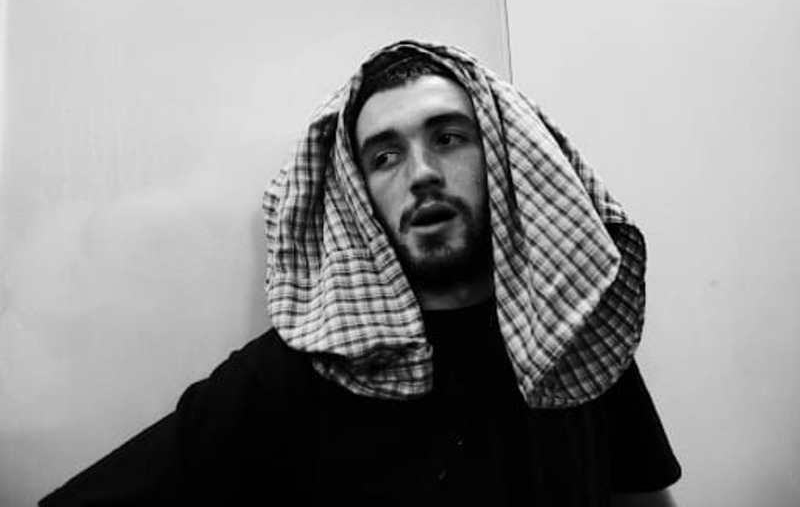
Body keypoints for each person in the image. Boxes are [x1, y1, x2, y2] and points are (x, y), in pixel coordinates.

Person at [40, 40, 681, 506]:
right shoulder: (303, 371)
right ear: (358, 196)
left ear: (504, 161)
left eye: (448, 138)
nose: (421, 173)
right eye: (385, 155)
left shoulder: (577, 333)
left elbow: (643, 498)